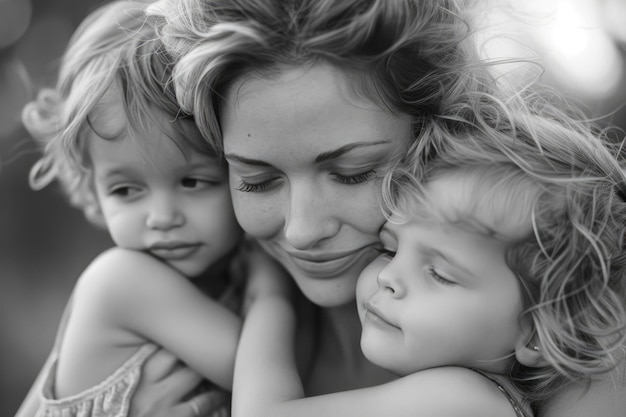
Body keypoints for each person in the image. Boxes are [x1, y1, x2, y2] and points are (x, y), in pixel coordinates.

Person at [144, 0, 626, 416]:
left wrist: (266, 300)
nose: (301, 231)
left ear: (436, 134)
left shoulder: (590, 350)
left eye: (352, 173)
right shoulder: (176, 300)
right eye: (257, 181)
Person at [231, 88, 626, 417]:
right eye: (389, 250)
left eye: (439, 274)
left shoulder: (466, 400)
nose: (387, 277)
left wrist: (268, 295)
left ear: (540, 334)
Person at [16, 2, 243, 416]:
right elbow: (259, 373)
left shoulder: (220, 281)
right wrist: (271, 289)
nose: (161, 217)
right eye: (125, 190)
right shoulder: (121, 280)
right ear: (91, 189)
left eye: (192, 182)